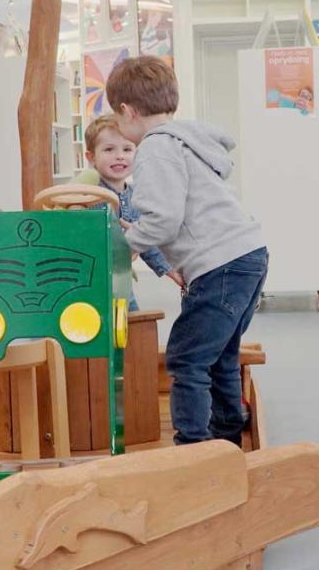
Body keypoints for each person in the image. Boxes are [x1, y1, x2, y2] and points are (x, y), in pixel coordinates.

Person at [105, 55, 268, 447]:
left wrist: (124, 247)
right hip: (247, 254)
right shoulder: (185, 140)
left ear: (128, 111)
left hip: (221, 264)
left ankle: (193, 449)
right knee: (221, 355)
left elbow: (164, 220)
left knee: (186, 359)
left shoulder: (154, 148)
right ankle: (227, 439)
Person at [83, 114, 183, 310]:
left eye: (127, 149)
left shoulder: (136, 195)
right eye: (109, 149)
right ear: (91, 157)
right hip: (92, 284)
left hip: (122, 284)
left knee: (131, 319)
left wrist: (170, 271)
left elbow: (146, 241)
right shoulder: (90, 196)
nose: (119, 156)